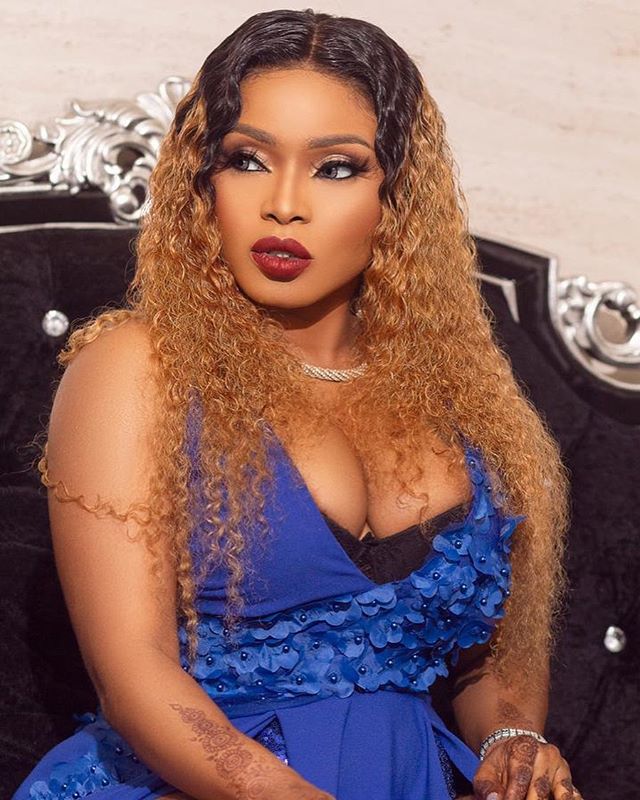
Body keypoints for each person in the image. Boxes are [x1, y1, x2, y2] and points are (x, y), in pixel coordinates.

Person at [12, 8, 583, 800]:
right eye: (247, 159)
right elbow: (131, 671)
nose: (284, 204)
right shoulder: (139, 366)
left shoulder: (466, 398)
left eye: (336, 168)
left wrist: (513, 739)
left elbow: (488, 658)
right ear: (203, 180)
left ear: (398, 196)